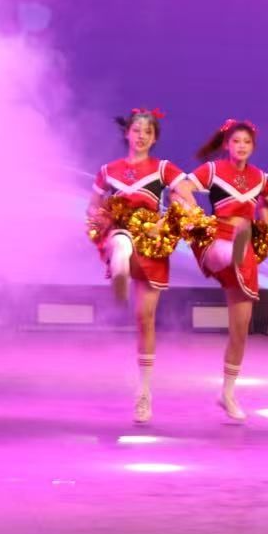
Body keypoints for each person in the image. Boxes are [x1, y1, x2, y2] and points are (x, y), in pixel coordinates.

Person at [88, 108, 188, 425]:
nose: (142, 135)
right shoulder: (108, 171)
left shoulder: (164, 169)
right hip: (120, 232)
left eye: (148, 131)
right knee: (120, 238)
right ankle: (120, 253)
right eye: (137, 130)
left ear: (154, 138)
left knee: (144, 319)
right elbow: (92, 208)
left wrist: (166, 219)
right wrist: (100, 216)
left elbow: (188, 201)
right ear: (127, 133)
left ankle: (143, 394)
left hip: (151, 244)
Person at [177, 119, 268, 422]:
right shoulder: (214, 170)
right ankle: (233, 250)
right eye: (236, 141)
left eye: (246, 142)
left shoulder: (259, 177)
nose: (241, 146)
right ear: (226, 144)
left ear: (253, 146)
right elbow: (182, 186)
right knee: (228, 250)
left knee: (240, 330)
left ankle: (227, 393)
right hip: (217, 239)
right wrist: (193, 209)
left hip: (243, 253)